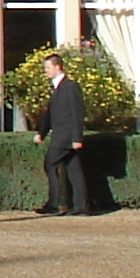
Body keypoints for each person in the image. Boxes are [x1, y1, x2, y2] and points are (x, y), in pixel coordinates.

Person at [38, 52, 89, 215]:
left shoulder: (70, 86)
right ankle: (81, 206)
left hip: (65, 136)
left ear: (57, 67)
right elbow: (50, 114)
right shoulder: (56, 88)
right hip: (62, 135)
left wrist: (76, 137)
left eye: (48, 67)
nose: (46, 71)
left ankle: (54, 204)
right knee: (74, 169)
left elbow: (77, 113)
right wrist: (41, 133)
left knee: (50, 164)